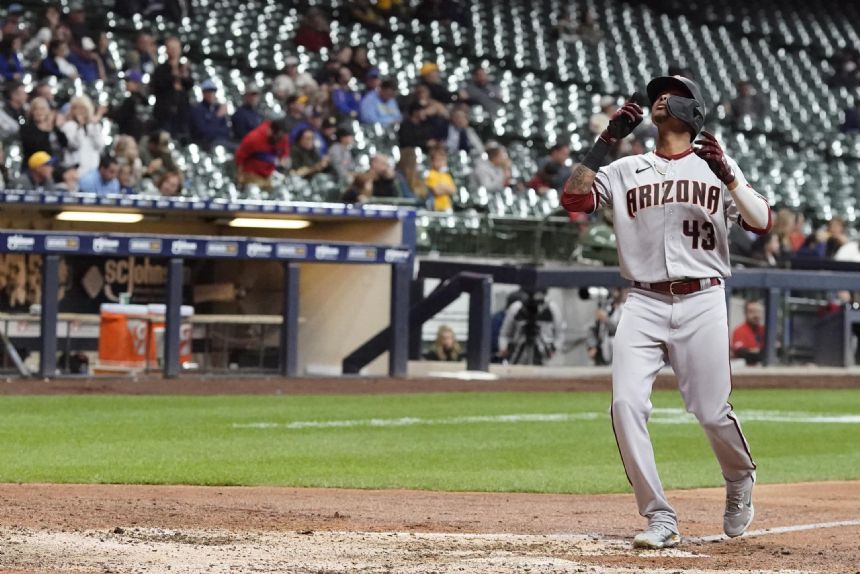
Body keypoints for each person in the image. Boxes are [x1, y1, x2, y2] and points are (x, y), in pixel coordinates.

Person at [561, 75, 771, 548]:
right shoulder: (625, 167)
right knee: (625, 405)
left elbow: (762, 223)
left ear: (693, 111)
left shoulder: (715, 164)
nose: (660, 97)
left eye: (672, 93)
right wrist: (606, 140)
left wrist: (731, 176)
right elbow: (573, 199)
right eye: (657, 92)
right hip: (643, 300)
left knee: (711, 412)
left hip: (702, 299)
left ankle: (739, 479)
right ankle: (659, 516)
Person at [498, 289, 564, 365]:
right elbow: (504, 334)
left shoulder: (551, 308)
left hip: (544, 356)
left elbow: (560, 334)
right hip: (519, 355)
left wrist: (554, 348)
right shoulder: (517, 308)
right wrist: (504, 348)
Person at [151, 36, 194, 139]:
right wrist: (173, 75)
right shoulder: (160, 69)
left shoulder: (184, 68)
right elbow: (158, 86)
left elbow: (189, 84)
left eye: (176, 48)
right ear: (166, 50)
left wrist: (184, 74)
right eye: (171, 48)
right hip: (165, 113)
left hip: (182, 113)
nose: (174, 51)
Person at [235, 118, 290, 190]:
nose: (279, 141)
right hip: (251, 174)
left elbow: (284, 155)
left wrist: (283, 162)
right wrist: (240, 176)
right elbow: (240, 157)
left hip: (269, 173)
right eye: (277, 137)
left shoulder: (282, 137)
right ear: (270, 131)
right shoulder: (254, 138)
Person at [61, 95, 106, 174]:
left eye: (83, 108)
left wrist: (95, 127)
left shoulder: (94, 126)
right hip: (75, 169)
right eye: (76, 108)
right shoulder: (68, 126)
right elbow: (74, 146)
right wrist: (79, 127)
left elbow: (100, 146)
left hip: (93, 169)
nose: (80, 111)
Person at [19, 96, 67, 162]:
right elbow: (37, 149)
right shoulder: (27, 129)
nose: (39, 112)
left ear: (47, 111)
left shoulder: (53, 126)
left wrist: (56, 127)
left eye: (42, 109)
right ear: (32, 112)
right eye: (36, 109)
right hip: (37, 165)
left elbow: (65, 143)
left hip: (58, 162)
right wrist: (46, 130)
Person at [586, 289, 625, 366]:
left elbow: (621, 332)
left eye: (618, 290)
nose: (615, 293)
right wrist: (592, 346)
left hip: (620, 354)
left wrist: (606, 319)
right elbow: (592, 329)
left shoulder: (626, 309)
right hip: (601, 353)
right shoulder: (605, 307)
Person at [189, 79, 232, 149]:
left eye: (213, 91)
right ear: (203, 93)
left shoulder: (217, 108)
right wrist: (217, 116)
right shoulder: (197, 110)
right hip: (205, 144)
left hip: (222, 141)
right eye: (208, 91)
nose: (211, 94)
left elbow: (226, 131)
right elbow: (205, 133)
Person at [110, 70, 151, 140]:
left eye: (128, 81)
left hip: (129, 137)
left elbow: (120, 117)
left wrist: (108, 112)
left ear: (136, 83)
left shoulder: (131, 100)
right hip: (141, 136)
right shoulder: (144, 100)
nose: (126, 83)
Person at [731, 300, 765, 366]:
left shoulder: (764, 330)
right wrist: (761, 352)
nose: (756, 315)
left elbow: (776, 351)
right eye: (752, 312)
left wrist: (754, 351)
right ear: (745, 313)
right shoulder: (739, 331)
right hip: (745, 371)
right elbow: (742, 353)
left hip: (763, 370)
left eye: (758, 312)